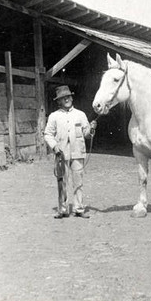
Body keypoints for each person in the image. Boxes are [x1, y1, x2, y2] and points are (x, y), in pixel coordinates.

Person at [44, 85, 97, 219]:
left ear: (72, 98)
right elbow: (48, 134)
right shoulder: (54, 116)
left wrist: (91, 129)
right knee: (62, 182)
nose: (66, 99)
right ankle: (62, 210)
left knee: (78, 181)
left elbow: (86, 134)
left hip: (78, 152)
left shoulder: (80, 114)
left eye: (68, 97)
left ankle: (79, 208)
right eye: (63, 98)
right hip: (61, 154)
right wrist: (55, 146)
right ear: (59, 101)